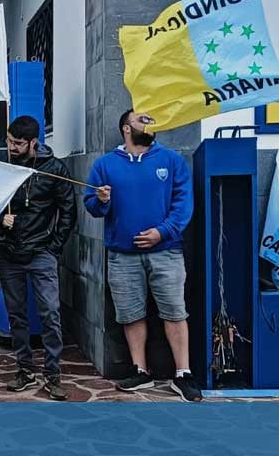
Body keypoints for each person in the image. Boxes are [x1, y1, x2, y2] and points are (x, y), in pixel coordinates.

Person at [83, 109, 201, 402]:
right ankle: (141, 370)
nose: (149, 124)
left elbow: (183, 202)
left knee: (175, 310)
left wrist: (163, 231)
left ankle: (183, 373)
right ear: (126, 128)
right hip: (122, 256)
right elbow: (92, 207)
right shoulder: (105, 165)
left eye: (151, 120)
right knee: (130, 314)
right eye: (142, 120)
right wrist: (101, 201)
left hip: (166, 252)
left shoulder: (171, 160)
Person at [0, 116, 76, 400]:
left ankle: (53, 374)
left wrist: (54, 247)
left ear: (33, 142)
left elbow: (68, 211)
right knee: (16, 315)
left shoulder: (54, 169)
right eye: (9, 141)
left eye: (17, 143)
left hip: (42, 252)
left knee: (50, 313)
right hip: (9, 253)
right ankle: (24, 370)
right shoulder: (3, 168)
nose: (11, 147)